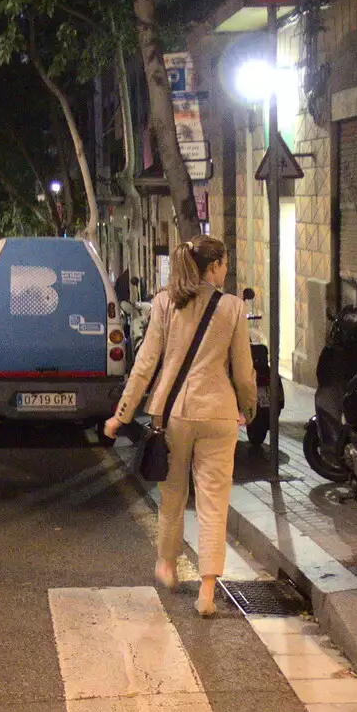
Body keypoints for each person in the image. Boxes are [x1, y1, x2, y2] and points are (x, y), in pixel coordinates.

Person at [105, 236, 257, 616]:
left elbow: (145, 364)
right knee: (213, 502)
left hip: (170, 413)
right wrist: (249, 407)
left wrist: (121, 414)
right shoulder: (233, 308)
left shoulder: (164, 303)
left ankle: (167, 565)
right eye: (224, 263)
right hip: (218, 413)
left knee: (172, 497)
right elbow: (243, 370)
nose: (225, 270)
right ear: (215, 266)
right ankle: (207, 589)